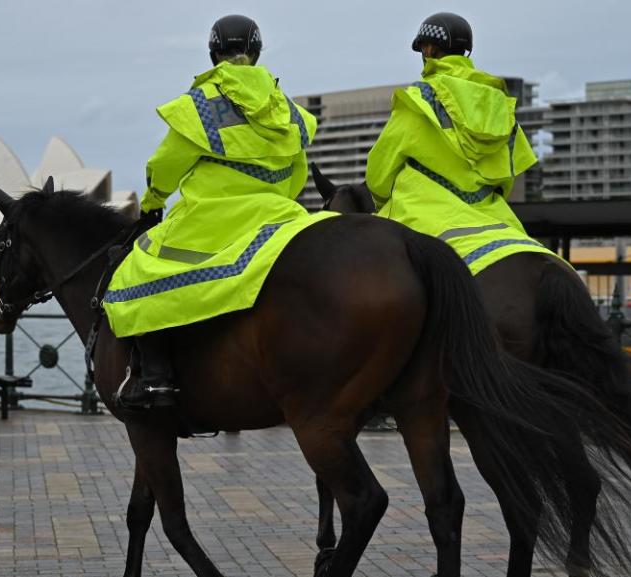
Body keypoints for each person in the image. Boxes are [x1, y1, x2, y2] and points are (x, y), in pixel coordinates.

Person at [104, 14, 319, 410]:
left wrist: (153, 203)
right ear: (255, 52)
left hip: (211, 220)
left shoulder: (201, 105)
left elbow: (166, 164)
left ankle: (156, 381)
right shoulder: (284, 109)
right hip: (279, 218)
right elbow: (297, 173)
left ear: (212, 51)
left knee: (138, 269)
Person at [364, 12, 555, 276]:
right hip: (499, 220)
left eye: (423, 48)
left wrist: (382, 200)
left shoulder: (420, 98)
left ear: (429, 49)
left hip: (423, 219)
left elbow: (379, 176)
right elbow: (506, 179)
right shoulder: (498, 102)